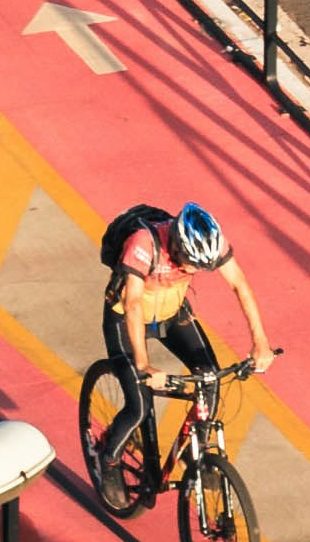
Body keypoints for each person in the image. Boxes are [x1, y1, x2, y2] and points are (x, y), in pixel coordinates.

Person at [97, 196, 275, 466]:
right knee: (139, 407)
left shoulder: (212, 245)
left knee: (210, 380)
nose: (195, 271)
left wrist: (260, 341)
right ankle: (107, 459)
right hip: (126, 319)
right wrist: (144, 365)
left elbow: (239, 284)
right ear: (177, 245)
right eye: (192, 264)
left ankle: (193, 460)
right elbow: (132, 304)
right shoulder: (143, 243)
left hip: (172, 314)